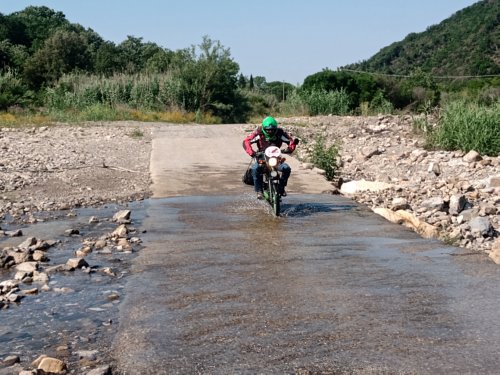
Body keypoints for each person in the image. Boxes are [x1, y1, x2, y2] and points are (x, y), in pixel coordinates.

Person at [243, 116, 297, 199]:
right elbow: (246, 141)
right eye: (268, 129)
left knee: (286, 168)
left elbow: (290, 141)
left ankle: (281, 188)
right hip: (262, 158)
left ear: (275, 128)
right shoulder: (259, 133)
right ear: (264, 128)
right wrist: (252, 153)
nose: (270, 131)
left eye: (272, 129)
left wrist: (290, 148)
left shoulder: (280, 133)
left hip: (277, 159)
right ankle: (259, 191)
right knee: (255, 168)